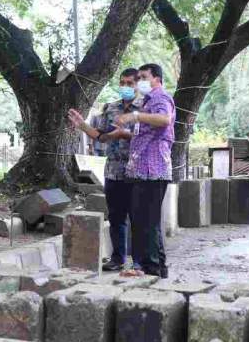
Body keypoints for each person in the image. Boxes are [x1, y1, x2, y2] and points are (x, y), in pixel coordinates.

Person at [68, 68, 141, 272]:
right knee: (116, 217)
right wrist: (82, 125)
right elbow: (100, 136)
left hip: (138, 171)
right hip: (113, 171)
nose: (125, 87)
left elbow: (149, 138)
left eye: (130, 83)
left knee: (137, 218)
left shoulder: (145, 109)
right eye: (122, 83)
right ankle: (118, 259)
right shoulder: (111, 108)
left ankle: (139, 261)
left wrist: (125, 134)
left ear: (138, 84)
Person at [117, 63, 175, 278]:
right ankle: (149, 267)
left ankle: (154, 268)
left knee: (149, 222)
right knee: (143, 221)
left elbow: (164, 119)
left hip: (153, 170)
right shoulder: (148, 101)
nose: (139, 81)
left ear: (156, 79)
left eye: (143, 77)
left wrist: (135, 116)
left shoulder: (161, 98)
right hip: (142, 171)